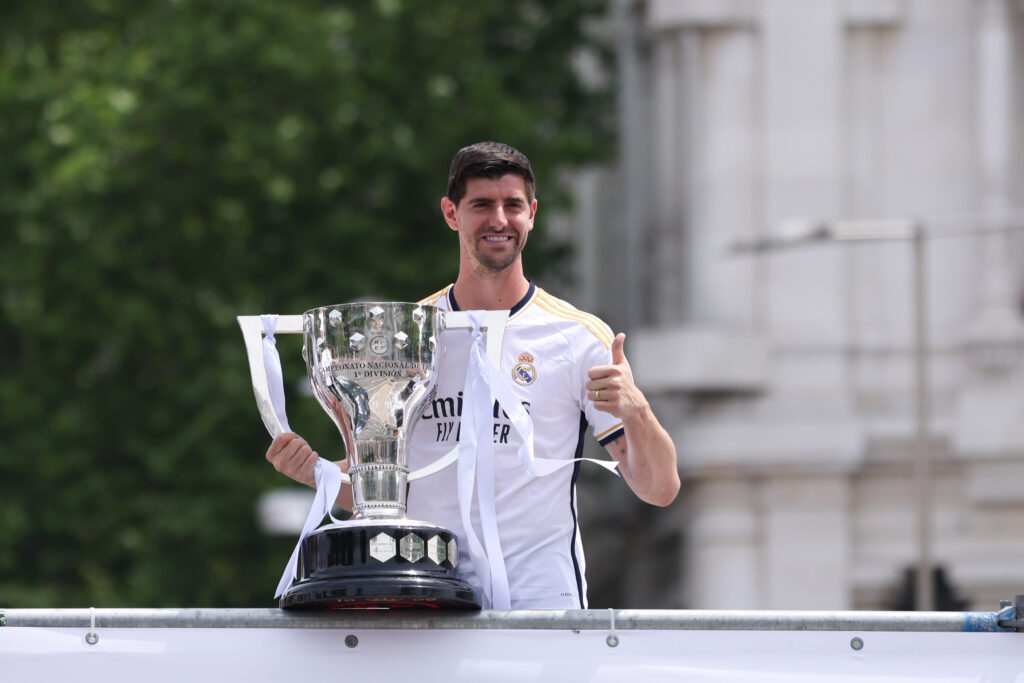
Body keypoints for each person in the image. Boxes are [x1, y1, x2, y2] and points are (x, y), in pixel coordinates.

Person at [266, 141, 679, 608]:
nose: (499, 220)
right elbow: (376, 488)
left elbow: (660, 488)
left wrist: (637, 410)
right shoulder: (407, 336)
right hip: (432, 591)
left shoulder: (578, 337)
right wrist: (315, 474)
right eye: (481, 205)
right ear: (451, 213)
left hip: (541, 598)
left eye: (513, 205)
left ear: (533, 213)